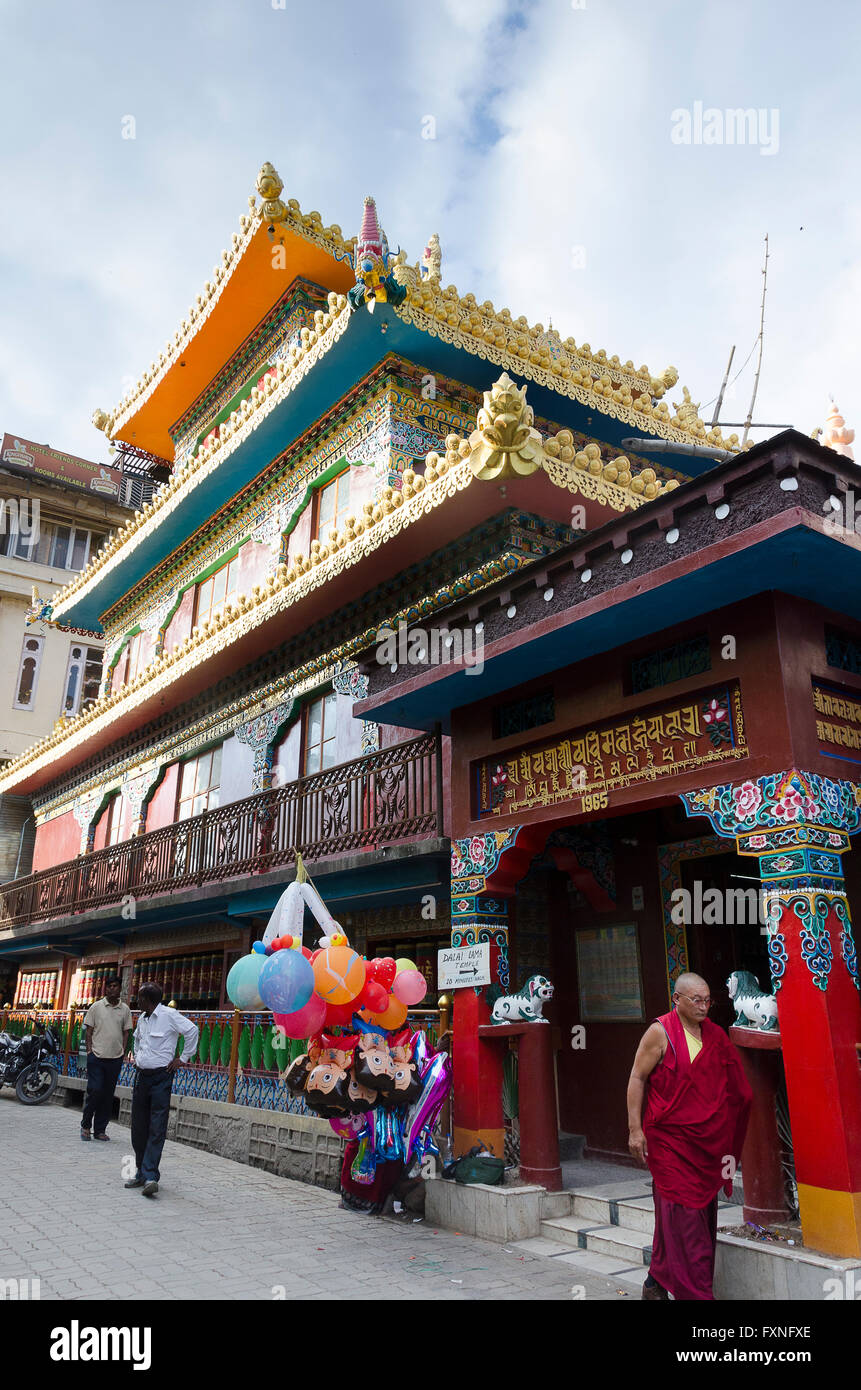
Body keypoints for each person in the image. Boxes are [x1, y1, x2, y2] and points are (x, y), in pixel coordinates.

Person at [627, 972, 751, 1301]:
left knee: (688, 1215)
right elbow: (637, 1077)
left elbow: (735, 1087)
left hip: (703, 1145)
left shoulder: (715, 1035)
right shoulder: (659, 1032)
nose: (703, 1006)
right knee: (685, 1219)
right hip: (669, 1141)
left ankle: (655, 1283)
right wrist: (634, 1129)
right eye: (695, 1000)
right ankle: (696, 1294)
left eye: (707, 1000)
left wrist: (730, 1125)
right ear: (677, 1000)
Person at [124, 982, 199, 1197]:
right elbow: (137, 1040)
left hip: (161, 1077)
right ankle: (140, 1171)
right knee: (138, 1127)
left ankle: (150, 1176)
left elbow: (192, 1030)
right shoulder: (143, 1019)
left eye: (139, 997)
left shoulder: (168, 1015)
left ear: (148, 999)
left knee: (156, 1127)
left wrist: (182, 1058)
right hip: (141, 1077)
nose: (137, 1001)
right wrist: (137, 1057)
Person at [80, 975, 132, 1142]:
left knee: (108, 1095)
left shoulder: (125, 1009)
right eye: (108, 986)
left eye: (114, 986)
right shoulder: (96, 1007)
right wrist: (89, 1051)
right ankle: (86, 1125)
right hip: (96, 1056)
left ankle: (100, 1129)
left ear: (120, 988)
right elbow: (88, 1031)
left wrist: (123, 1051)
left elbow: (126, 1032)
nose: (111, 988)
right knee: (95, 1090)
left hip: (115, 1058)